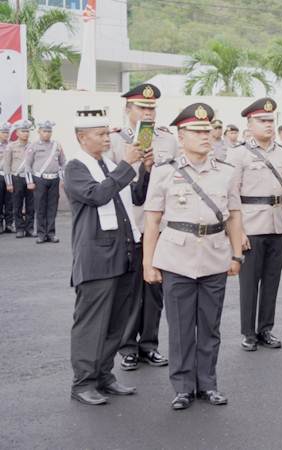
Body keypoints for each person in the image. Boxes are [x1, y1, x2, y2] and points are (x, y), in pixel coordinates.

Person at [143, 103, 244, 410]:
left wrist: (237, 255)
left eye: (207, 131)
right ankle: (184, 386)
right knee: (181, 326)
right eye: (197, 132)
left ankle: (208, 384)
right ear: (181, 135)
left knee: (210, 325)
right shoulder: (164, 172)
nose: (205, 136)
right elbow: (151, 220)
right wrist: (149, 263)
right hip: (176, 256)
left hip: (214, 254)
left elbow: (235, 216)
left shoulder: (226, 173)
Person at [64, 107, 151, 405]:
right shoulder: (76, 167)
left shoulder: (108, 166)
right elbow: (97, 195)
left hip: (123, 253)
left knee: (116, 322)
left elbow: (136, 198)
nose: (105, 139)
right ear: (81, 138)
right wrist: (126, 165)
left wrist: (145, 170)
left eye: (106, 134)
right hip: (97, 259)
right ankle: (83, 383)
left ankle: (104, 376)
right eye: (100, 135)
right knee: (91, 323)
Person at [110, 83, 177, 371]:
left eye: (152, 108)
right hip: (129, 225)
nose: (148, 113)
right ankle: (127, 347)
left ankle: (149, 344)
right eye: (142, 107)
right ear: (128, 110)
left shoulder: (168, 140)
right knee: (128, 290)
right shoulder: (115, 141)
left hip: (159, 225)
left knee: (154, 289)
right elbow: (110, 183)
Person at [228, 97, 282, 351]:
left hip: (277, 225)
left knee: (272, 281)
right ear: (249, 123)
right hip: (252, 227)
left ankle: (265, 328)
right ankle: (248, 332)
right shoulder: (238, 154)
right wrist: (238, 233)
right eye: (262, 120)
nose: (268, 125)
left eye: (271, 120)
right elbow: (232, 196)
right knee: (249, 283)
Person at [23, 120, 65, 243]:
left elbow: (63, 162)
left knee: (52, 207)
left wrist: (63, 179)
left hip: (54, 179)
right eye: (44, 131)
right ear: (39, 132)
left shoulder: (57, 145)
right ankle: (41, 234)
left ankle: (51, 233)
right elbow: (28, 165)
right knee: (40, 207)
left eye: (49, 131)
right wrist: (29, 181)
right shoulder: (33, 146)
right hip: (39, 180)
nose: (47, 134)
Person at [4, 120, 35, 238]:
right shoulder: (11, 146)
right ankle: (20, 228)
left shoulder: (33, 146)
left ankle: (30, 228)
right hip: (16, 178)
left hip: (30, 179)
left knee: (31, 205)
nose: (26, 133)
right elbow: (7, 165)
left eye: (27, 131)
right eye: (23, 131)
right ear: (17, 133)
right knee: (16, 205)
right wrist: (9, 183)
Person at [0, 122, 13, 233]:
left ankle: (9, 224)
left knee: (10, 201)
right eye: (3, 132)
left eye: (7, 132)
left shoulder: (12, 145)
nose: (6, 134)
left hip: (10, 176)